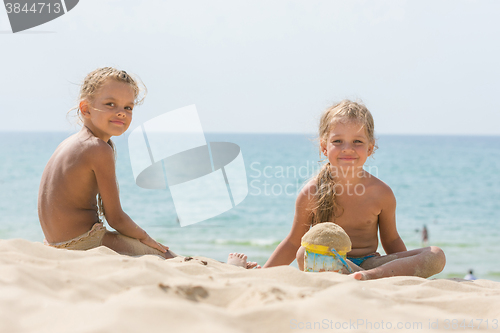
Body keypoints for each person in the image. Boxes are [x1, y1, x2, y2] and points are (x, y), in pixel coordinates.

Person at [38, 67, 256, 268]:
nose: (121, 112)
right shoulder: (98, 149)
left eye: (128, 107)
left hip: (54, 243)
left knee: (156, 252)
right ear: (86, 108)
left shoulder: (71, 143)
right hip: (82, 243)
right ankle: (228, 270)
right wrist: (146, 238)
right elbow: (116, 217)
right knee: (165, 257)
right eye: (110, 104)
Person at [263, 100, 446, 280]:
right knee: (304, 252)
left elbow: (391, 241)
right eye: (338, 141)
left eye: (357, 141)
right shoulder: (312, 192)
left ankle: (368, 276)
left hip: (370, 265)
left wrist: (404, 269)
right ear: (324, 147)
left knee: (436, 254)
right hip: (329, 262)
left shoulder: (381, 193)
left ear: (370, 148)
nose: (348, 149)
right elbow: (293, 242)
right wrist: (262, 273)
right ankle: (358, 275)